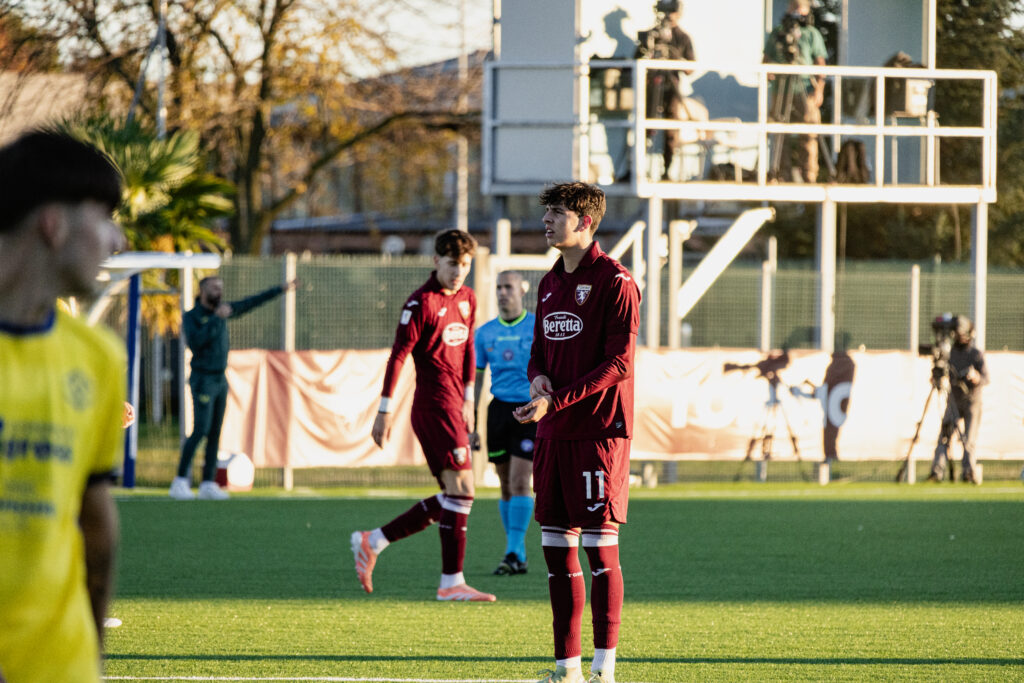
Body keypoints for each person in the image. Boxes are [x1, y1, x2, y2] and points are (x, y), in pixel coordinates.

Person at [0, 130, 126, 682]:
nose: (116, 240)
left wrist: (90, 655)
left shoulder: (98, 359)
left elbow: (96, 525)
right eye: (103, 217)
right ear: (53, 224)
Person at [514, 182, 641, 683]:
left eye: (556, 213)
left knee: (597, 547)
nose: (546, 221)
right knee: (553, 548)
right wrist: (538, 378)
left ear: (585, 222)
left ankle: (604, 669)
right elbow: (539, 351)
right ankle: (566, 669)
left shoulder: (616, 281)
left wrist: (555, 400)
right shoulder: (548, 283)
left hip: (598, 433)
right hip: (554, 433)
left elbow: (619, 364)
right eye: (545, 212)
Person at [351, 229, 495, 602]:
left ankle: (375, 540)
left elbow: (469, 351)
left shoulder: (468, 299)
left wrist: (468, 399)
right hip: (432, 407)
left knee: (455, 493)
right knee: (463, 490)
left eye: (465, 265)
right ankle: (451, 583)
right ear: (436, 261)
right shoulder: (421, 303)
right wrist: (383, 410)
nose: (459, 272)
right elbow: (398, 356)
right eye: (452, 264)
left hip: (454, 405)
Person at [170, 275, 299, 500]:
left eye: (220, 287)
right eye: (213, 287)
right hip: (203, 379)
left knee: (215, 432)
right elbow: (196, 342)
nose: (218, 291)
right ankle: (180, 480)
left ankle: (208, 483)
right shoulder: (193, 317)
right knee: (200, 429)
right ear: (202, 290)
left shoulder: (224, 310)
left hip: (220, 380)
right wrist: (214, 321)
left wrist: (281, 288)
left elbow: (251, 302)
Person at [472, 270, 537, 576]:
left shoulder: (537, 326)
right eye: (498, 287)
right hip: (498, 412)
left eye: (508, 287)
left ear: (522, 291)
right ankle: (518, 553)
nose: (502, 292)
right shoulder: (484, 333)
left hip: (529, 411)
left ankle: (513, 550)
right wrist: (472, 424)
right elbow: (477, 381)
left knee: (521, 480)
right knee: (505, 484)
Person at [763, 0, 827, 183]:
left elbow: (821, 63)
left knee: (809, 132)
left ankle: (810, 175)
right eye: (794, 7)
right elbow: (766, 60)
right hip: (781, 89)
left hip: (805, 89)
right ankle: (780, 173)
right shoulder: (778, 33)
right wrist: (770, 71)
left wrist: (819, 90)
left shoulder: (811, 34)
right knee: (779, 131)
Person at [634, 0, 697, 181]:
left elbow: (691, 68)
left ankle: (667, 169)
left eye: (672, 12)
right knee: (644, 125)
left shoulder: (682, 37)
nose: (668, 16)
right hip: (651, 86)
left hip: (672, 87)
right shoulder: (652, 35)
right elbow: (637, 58)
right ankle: (637, 169)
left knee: (671, 129)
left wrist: (674, 56)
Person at [928, 316, 987, 484]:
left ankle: (968, 473)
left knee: (968, 440)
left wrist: (976, 377)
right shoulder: (950, 353)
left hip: (972, 402)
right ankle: (937, 472)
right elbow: (941, 370)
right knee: (944, 436)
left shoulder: (975, 354)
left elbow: (985, 378)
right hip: (953, 400)